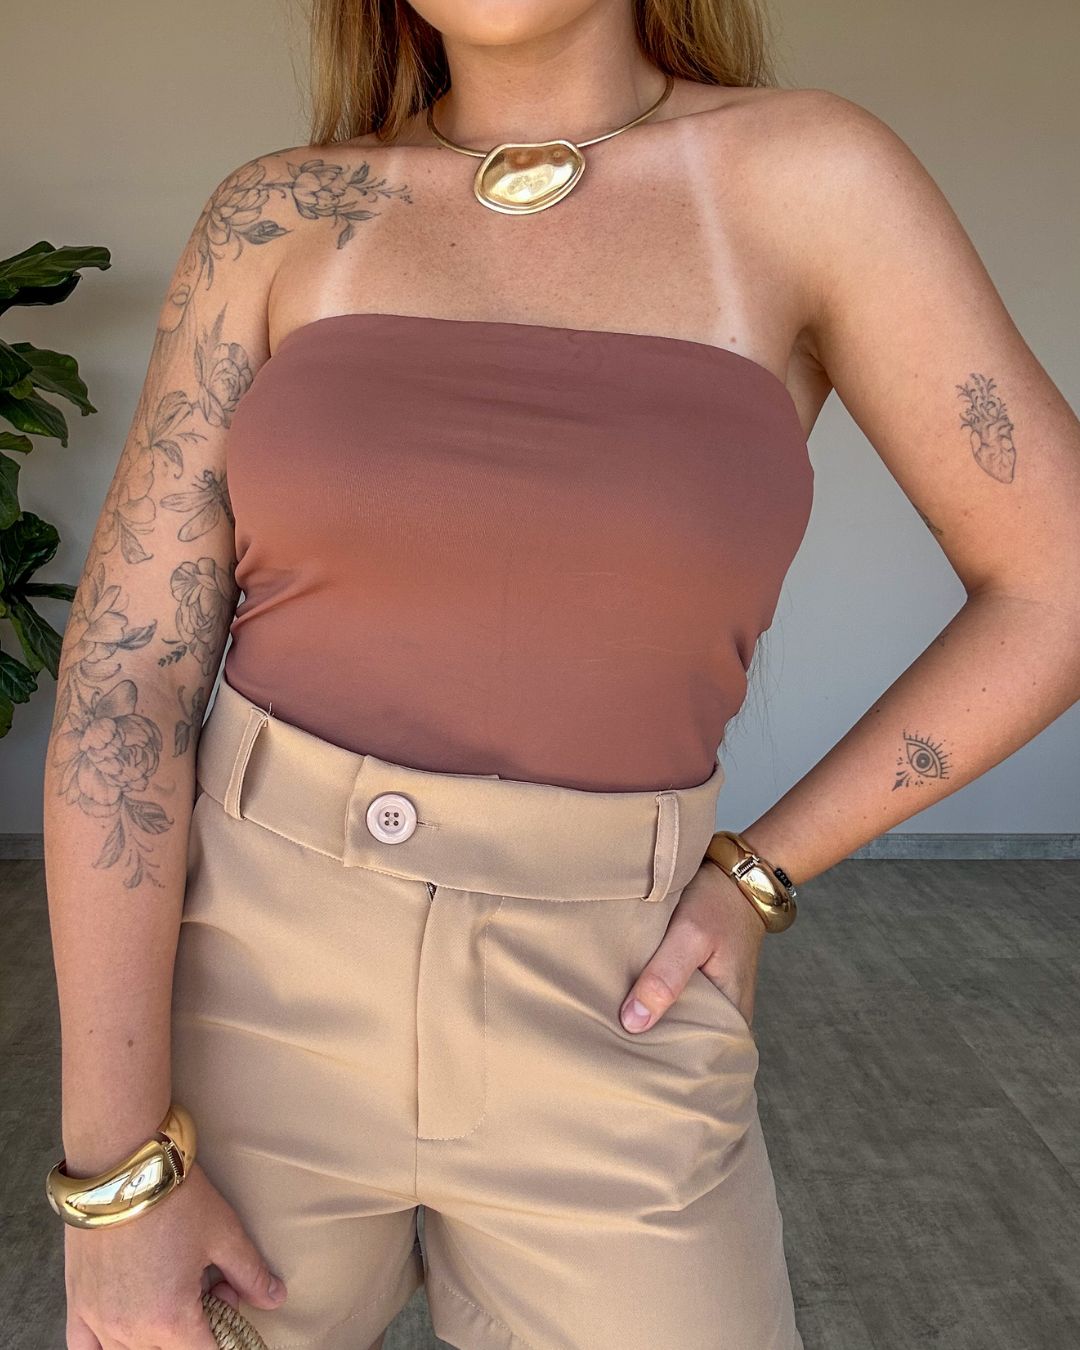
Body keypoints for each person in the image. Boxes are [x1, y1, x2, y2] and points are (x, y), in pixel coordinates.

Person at [42, 1, 1080, 1348]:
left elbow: (1055, 583)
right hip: (242, 991)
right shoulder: (278, 215)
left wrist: (760, 873)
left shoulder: (812, 181)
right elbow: (126, 685)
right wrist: (114, 1182)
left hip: (617, 1004)